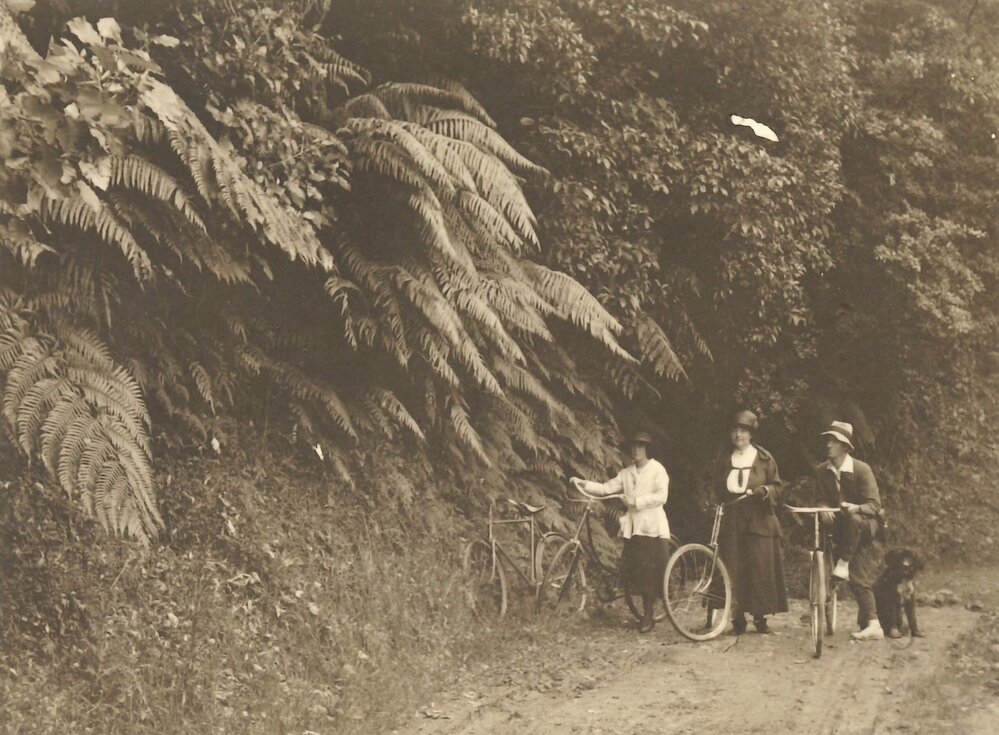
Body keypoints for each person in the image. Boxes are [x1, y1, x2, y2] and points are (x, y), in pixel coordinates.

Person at [571, 431, 670, 634]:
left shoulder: (657, 469)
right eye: (634, 446)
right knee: (633, 569)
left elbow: (662, 496)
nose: (636, 450)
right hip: (633, 527)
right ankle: (628, 599)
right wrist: (584, 483)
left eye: (640, 446)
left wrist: (636, 502)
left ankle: (648, 614)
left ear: (647, 449)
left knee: (649, 572)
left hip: (652, 526)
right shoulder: (626, 473)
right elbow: (606, 488)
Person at [713, 410, 787, 635]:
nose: (739, 435)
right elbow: (716, 486)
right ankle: (737, 618)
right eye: (735, 430)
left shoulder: (764, 458)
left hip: (758, 519)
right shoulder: (724, 458)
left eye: (743, 431)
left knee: (759, 566)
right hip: (732, 518)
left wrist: (765, 491)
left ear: (751, 434)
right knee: (733, 565)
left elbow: (777, 486)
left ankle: (760, 617)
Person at [814, 421, 885, 641]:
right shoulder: (822, 471)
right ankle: (873, 623)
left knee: (853, 523)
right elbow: (820, 498)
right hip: (840, 527)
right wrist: (823, 508)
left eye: (834, 441)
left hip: (863, 525)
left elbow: (874, 505)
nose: (829, 445)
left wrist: (856, 507)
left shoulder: (861, 469)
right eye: (827, 440)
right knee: (857, 572)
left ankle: (843, 563)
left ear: (845, 447)